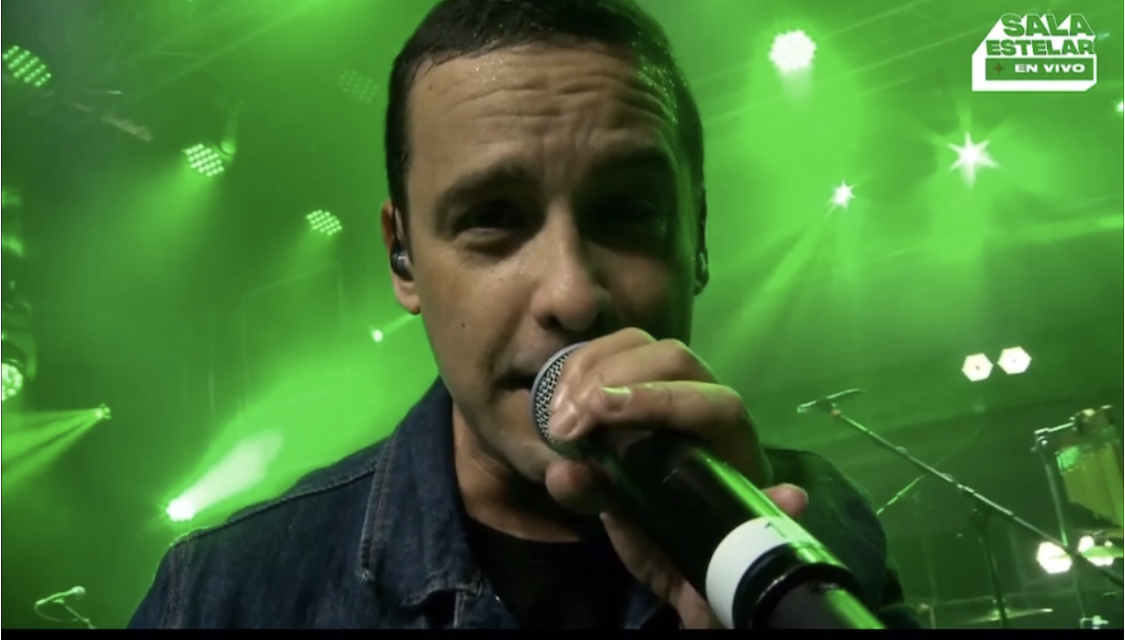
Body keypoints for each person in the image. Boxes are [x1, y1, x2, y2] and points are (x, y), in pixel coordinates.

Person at [129, 0, 919, 629]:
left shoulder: (818, 522)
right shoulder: (223, 592)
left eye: (629, 210)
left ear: (699, 241)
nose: (572, 295)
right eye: (492, 218)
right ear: (402, 257)